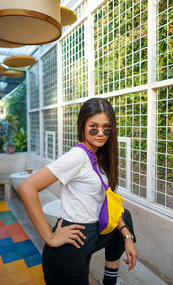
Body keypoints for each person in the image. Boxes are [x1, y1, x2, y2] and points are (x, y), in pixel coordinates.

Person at [17, 98, 138, 285]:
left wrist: (127, 236)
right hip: (71, 244)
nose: (101, 133)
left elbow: (110, 203)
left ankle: (110, 281)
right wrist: (50, 237)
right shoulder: (77, 156)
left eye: (106, 127)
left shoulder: (99, 155)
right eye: (93, 127)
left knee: (125, 216)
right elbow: (27, 188)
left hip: (91, 234)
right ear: (83, 126)